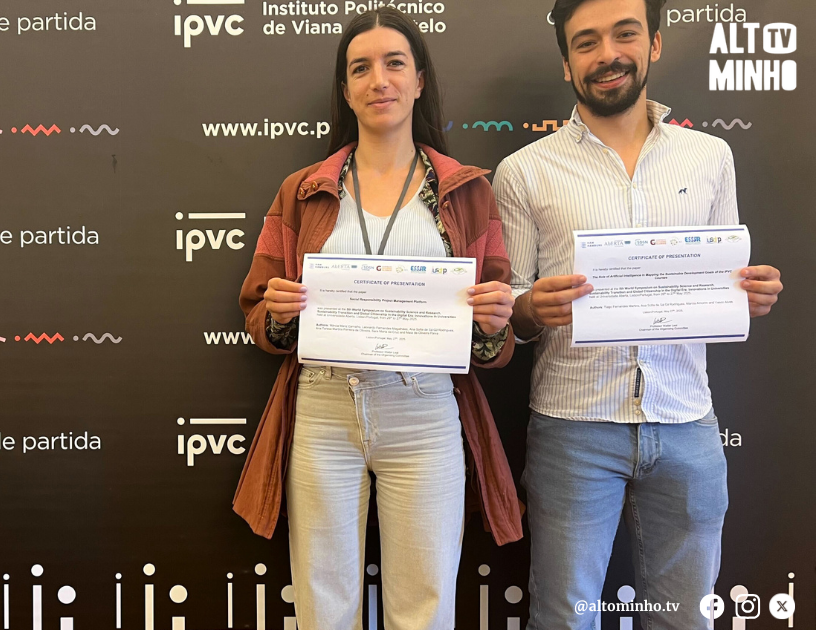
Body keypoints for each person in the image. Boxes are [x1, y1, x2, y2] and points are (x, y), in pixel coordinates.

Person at [492, 0, 784, 627]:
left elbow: (720, 281)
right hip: (572, 425)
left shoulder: (710, 157)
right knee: (563, 617)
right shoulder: (522, 171)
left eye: (624, 34)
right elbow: (509, 309)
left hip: (687, 419)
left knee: (686, 617)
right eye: (586, 42)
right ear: (567, 62)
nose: (607, 55)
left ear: (653, 43)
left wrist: (747, 295)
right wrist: (530, 306)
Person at [233, 7, 524, 628]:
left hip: (425, 413)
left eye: (395, 63)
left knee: (425, 606)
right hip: (323, 410)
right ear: (346, 89)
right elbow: (258, 311)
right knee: (322, 605)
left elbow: (495, 338)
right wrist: (279, 313)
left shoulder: (469, 191)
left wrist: (495, 322)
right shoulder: (301, 191)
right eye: (360, 68)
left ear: (419, 80)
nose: (379, 80)